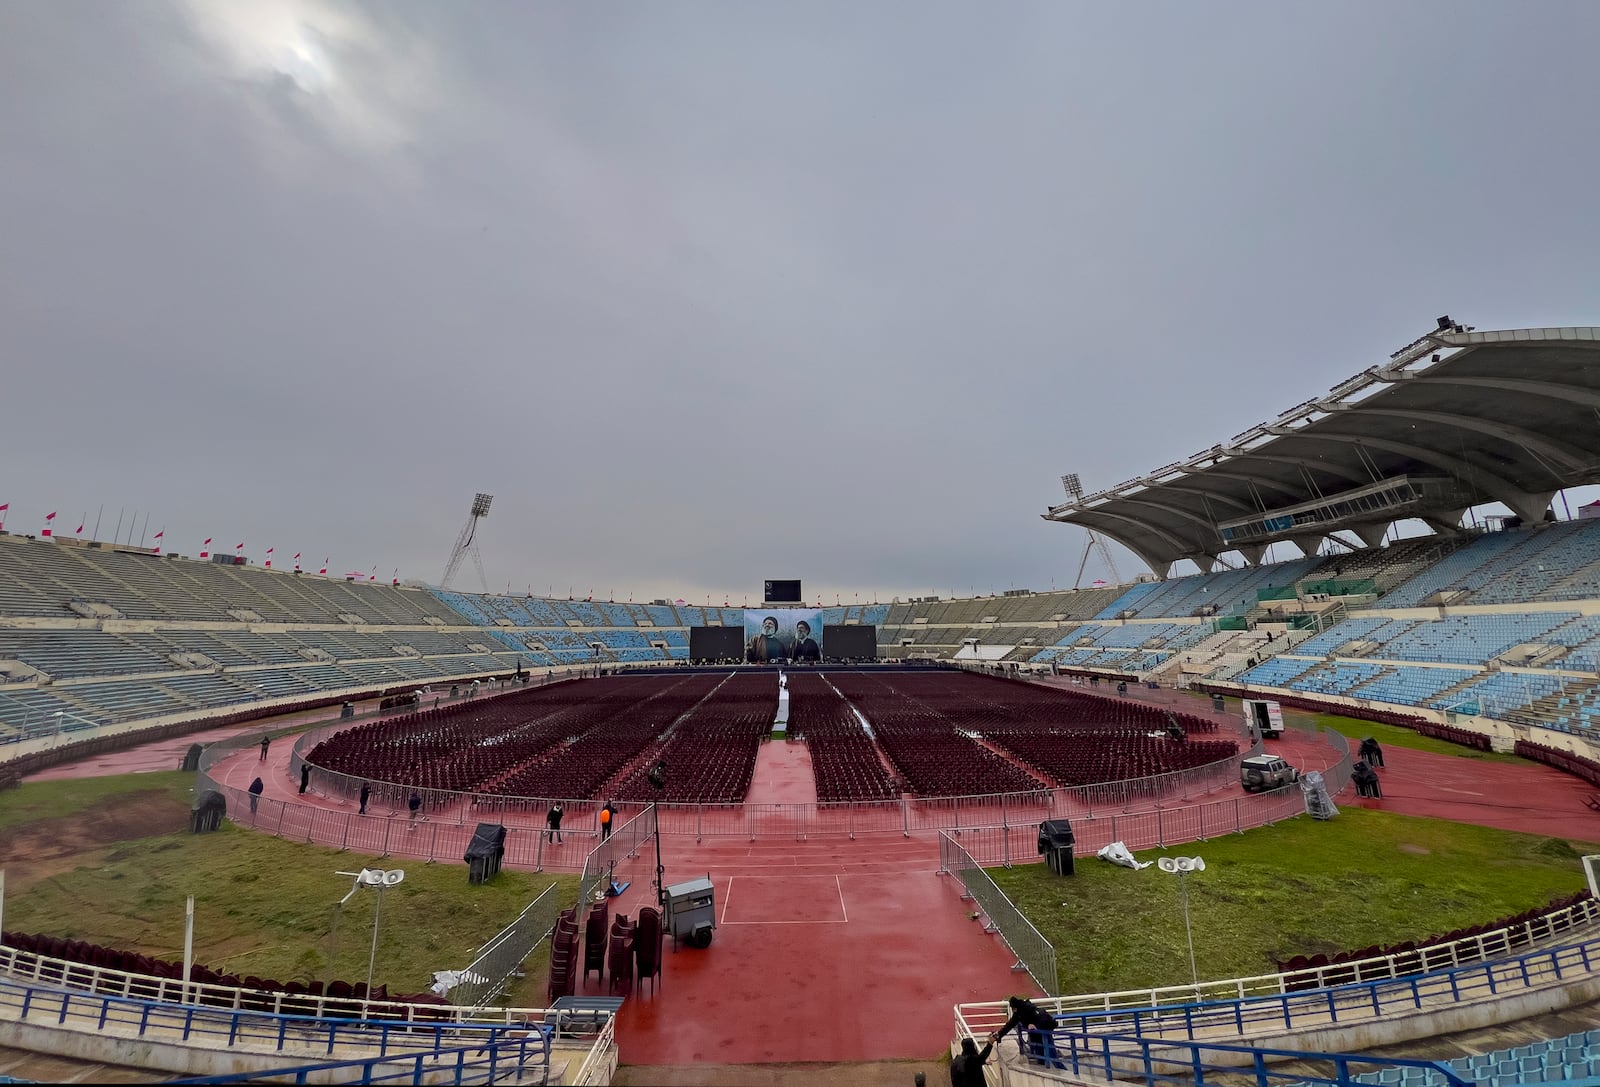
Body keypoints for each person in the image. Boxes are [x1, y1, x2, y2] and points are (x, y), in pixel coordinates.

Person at [992, 996, 1062, 1069]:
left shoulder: (1029, 1008)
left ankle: (1060, 1069)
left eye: (1013, 1008)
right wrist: (999, 1035)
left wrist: (1035, 1025)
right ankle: (1044, 1065)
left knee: (1051, 1052)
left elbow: (1042, 1018)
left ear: (1016, 1007)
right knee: (1040, 1052)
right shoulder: (1018, 1014)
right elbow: (1009, 1025)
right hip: (1036, 1034)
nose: (1013, 1011)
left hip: (1045, 1029)